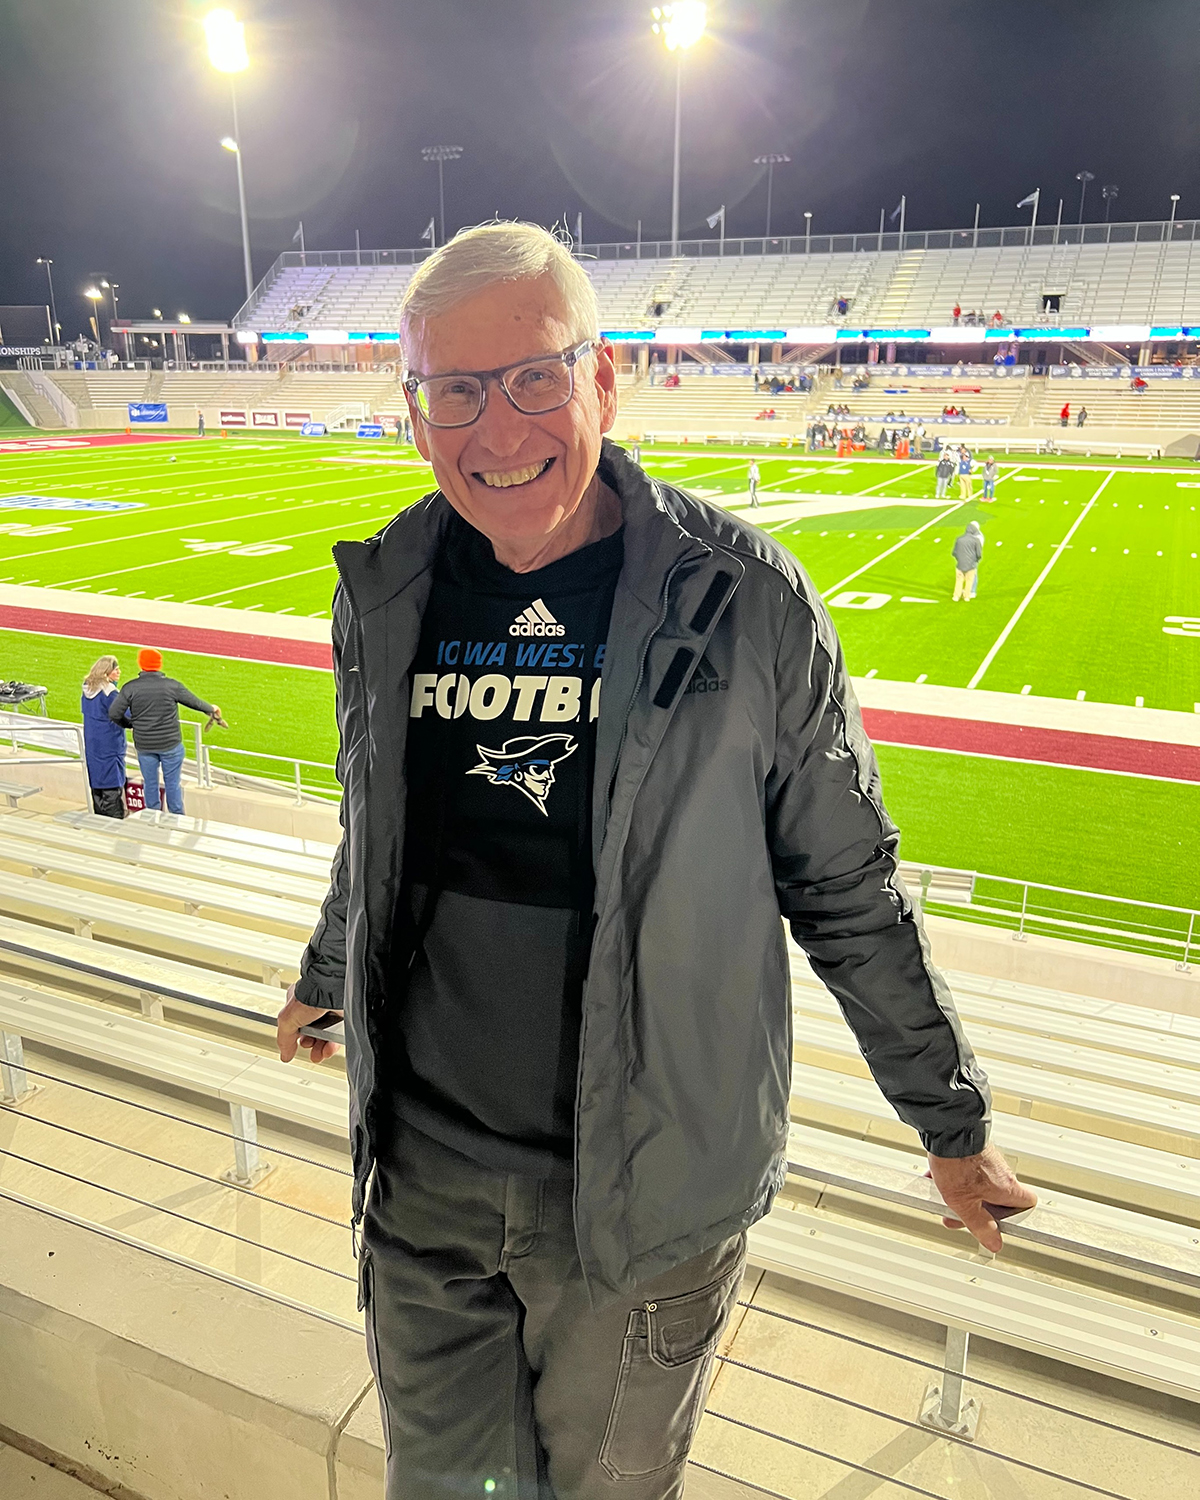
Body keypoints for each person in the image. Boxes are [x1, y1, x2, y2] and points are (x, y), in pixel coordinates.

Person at [273, 221, 1031, 1500]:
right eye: (456, 391)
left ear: (605, 379)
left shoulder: (746, 600)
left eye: (534, 377)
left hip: (639, 1196)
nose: (498, 430)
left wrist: (949, 1121)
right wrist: (326, 966)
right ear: (413, 412)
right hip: (421, 1180)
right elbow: (382, 822)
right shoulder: (389, 586)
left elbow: (845, 885)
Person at [108, 648, 220, 816]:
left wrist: (130, 724)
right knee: (172, 784)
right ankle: (177, 819)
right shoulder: (171, 686)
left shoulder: (130, 688)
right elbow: (195, 702)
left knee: (150, 784)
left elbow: (114, 713)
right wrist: (212, 708)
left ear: (141, 664)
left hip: (145, 745)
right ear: (159, 664)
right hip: (170, 744)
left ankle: (153, 818)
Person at [81, 655, 127, 818]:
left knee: (97, 783)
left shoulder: (87, 689)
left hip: (92, 743)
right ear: (106, 672)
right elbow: (125, 714)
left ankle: (99, 819)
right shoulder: (109, 693)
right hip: (110, 744)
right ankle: (115, 820)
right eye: (116, 669)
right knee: (112, 782)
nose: (119, 672)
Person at [953, 520, 984, 600]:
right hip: (971, 562)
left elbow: (954, 552)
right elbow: (979, 553)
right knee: (970, 580)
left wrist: (959, 559)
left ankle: (956, 596)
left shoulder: (959, 539)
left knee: (959, 580)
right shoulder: (977, 539)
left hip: (960, 563)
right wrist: (976, 560)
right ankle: (968, 595)